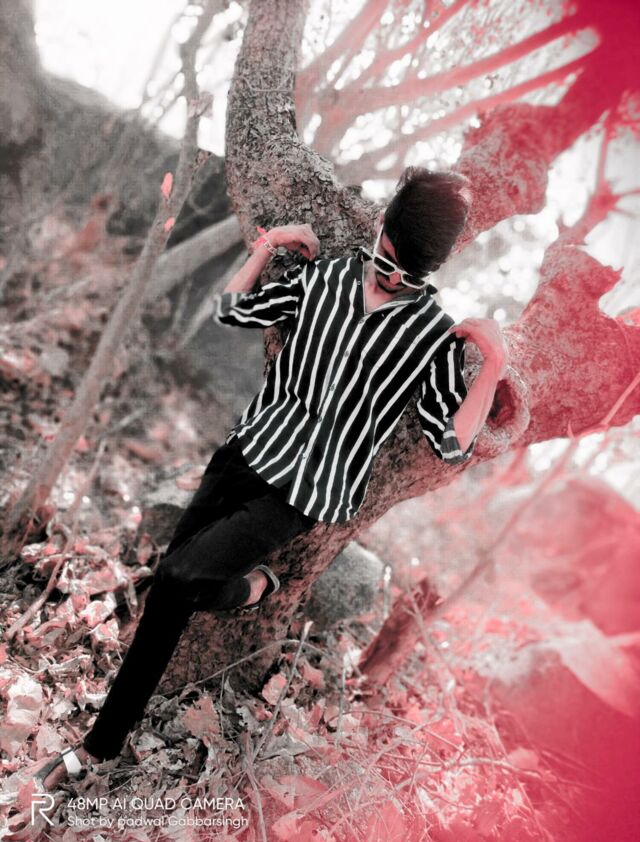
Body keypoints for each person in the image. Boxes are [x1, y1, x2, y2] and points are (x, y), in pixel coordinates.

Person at [36, 167, 507, 790]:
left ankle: (96, 751)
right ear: (385, 227)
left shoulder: (432, 337)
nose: (392, 271)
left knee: (177, 578)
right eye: (390, 253)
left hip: (303, 492)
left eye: (408, 267)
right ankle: (241, 599)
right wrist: (269, 244)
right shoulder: (327, 276)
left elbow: (451, 444)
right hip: (245, 451)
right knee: (169, 590)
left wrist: (493, 363)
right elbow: (231, 310)